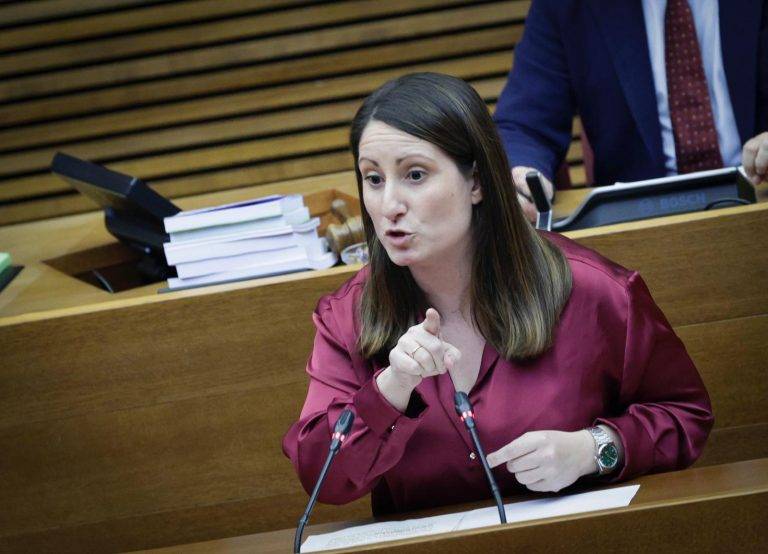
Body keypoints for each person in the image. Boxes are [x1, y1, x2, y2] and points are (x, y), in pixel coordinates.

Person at [282, 73, 713, 515]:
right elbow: (322, 478)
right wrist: (390, 389)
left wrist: (594, 449)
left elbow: (685, 415)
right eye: (373, 179)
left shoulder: (594, 291)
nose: (389, 204)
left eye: (414, 175)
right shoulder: (347, 316)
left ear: (476, 182)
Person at [494, 0, 768, 221]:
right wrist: (520, 174)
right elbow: (524, 124)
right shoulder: (567, 7)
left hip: (759, 195)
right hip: (638, 224)